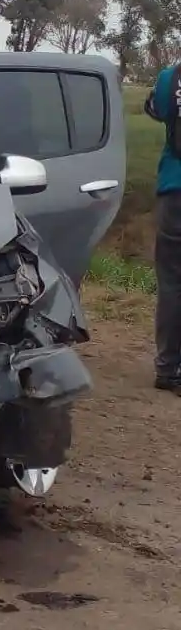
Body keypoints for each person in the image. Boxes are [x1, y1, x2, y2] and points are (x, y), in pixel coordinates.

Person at [144, 64, 181, 391]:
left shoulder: (171, 76)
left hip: (175, 189)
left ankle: (168, 368)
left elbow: (156, 109)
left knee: (171, 283)